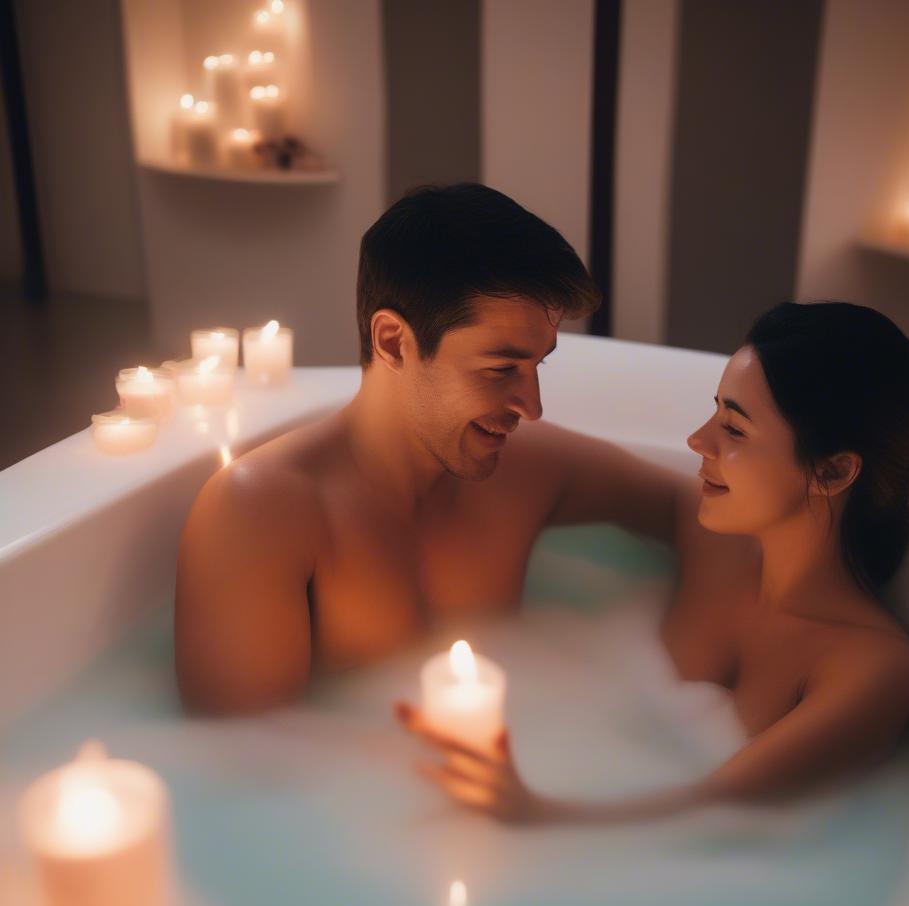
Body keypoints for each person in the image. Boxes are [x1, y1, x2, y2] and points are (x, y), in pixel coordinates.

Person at [398, 302, 909, 820]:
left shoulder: (873, 667)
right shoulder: (711, 540)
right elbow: (539, 462)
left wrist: (537, 812)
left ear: (834, 472)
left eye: (735, 429)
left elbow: (716, 804)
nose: (698, 439)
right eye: (715, 410)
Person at [175, 183, 681, 714]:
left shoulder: (529, 470)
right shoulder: (258, 512)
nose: (532, 406)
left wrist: (690, 669)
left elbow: (694, 503)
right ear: (393, 341)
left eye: (538, 365)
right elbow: (241, 766)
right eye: (500, 369)